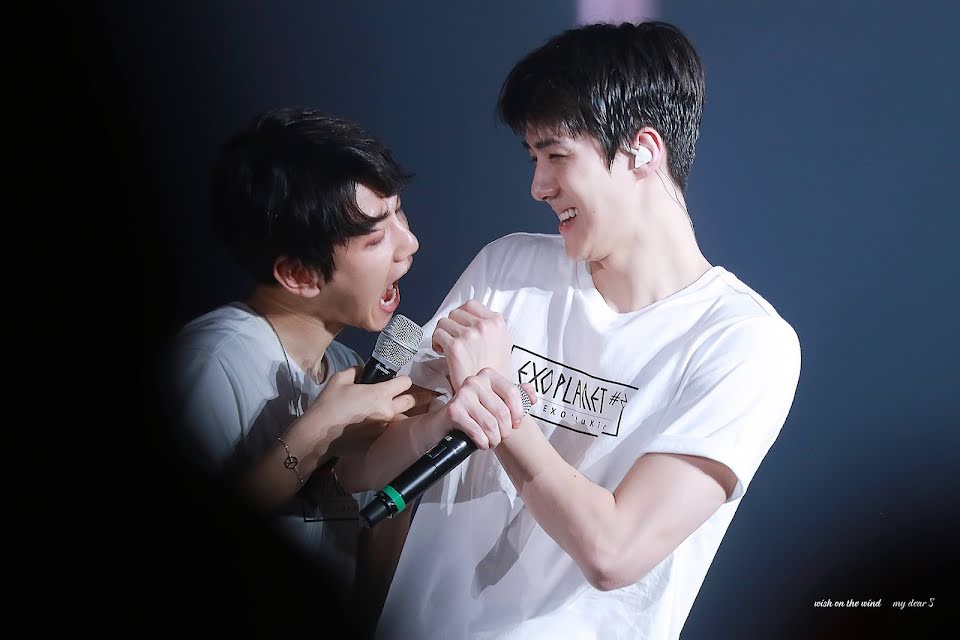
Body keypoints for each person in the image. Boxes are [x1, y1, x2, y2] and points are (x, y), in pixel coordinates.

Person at [378, 21, 802, 639]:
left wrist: (495, 398)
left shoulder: (745, 343)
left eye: (557, 156)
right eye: (533, 159)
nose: (538, 186)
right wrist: (435, 418)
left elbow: (614, 552)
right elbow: (373, 464)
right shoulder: (507, 268)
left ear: (642, 150)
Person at [164, 107, 533, 625]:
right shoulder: (213, 362)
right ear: (298, 274)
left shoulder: (345, 365)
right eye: (375, 238)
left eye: (400, 214)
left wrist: (424, 429)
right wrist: (317, 432)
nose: (409, 245)